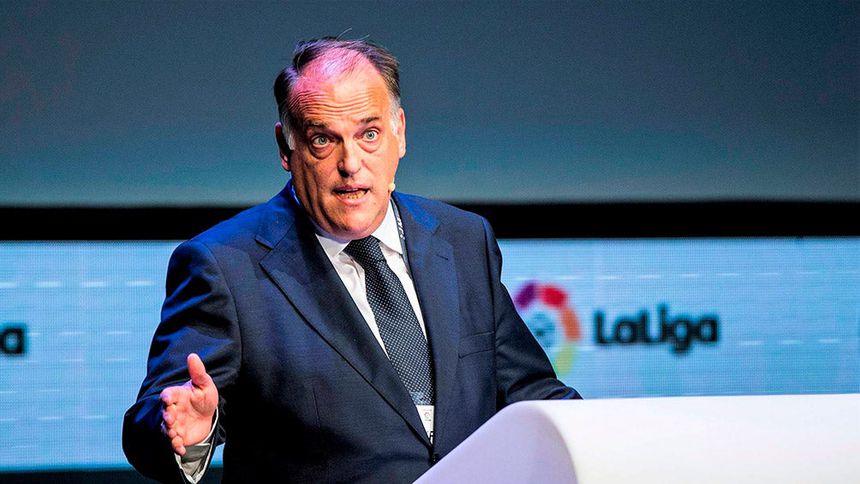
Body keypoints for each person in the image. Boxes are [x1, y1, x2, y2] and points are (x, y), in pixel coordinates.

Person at [123, 37, 580, 484]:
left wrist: (603, 436)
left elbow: (531, 394)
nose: (351, 164)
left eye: (369, 134)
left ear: (400, 132)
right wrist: (187, 432)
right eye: (324, 140)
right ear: (286, 148)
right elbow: (153, 425)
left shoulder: (463, 240)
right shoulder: (224, 265)